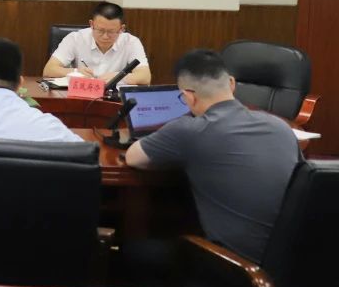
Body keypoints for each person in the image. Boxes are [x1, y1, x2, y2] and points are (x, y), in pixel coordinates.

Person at [126, 49, 302, 262]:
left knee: (133, 252)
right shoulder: (280, 127)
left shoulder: (189, 129)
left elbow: (133, 157)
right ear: (232, 83)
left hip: (237, 268)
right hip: (293, 261)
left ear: (188, 97)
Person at [43, 1, 152, 85]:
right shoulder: (75, 38)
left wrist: (120, 77)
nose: (105, 36)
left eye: (111, 32)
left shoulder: (131, 42)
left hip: (113, 98)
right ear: (91, 24)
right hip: (81, 95)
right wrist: (75, 72)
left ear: (121, 29)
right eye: (100, 30)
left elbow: (145, 77)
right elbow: (49, 70)